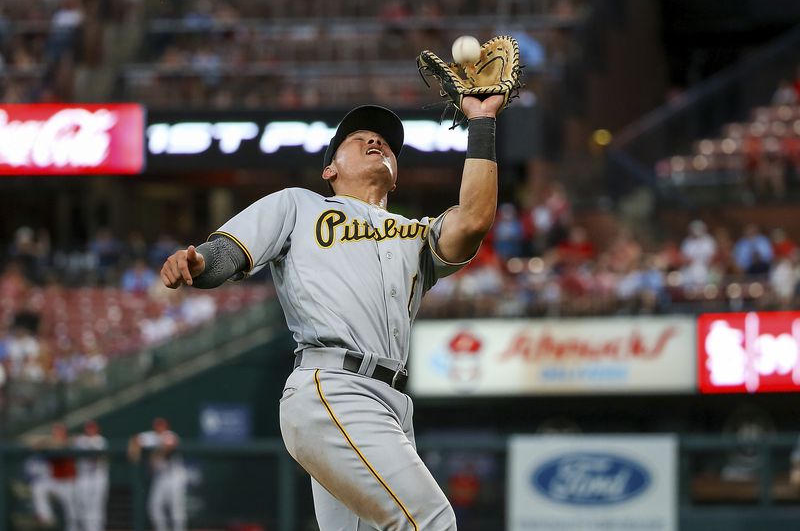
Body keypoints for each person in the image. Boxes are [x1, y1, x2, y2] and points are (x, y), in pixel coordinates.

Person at [160, 96, 504, 530]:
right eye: (358, 138)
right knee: (431, 520)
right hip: (333, 388)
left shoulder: (416, 235)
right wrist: (200, 264)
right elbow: (227, 253)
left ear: (396, 177)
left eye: (384, 141)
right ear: (330, 170)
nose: (375, 140)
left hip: (391, 405)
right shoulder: (300, 205)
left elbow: (473, 220)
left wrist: (482, 122)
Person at [128, 418, 187, 531]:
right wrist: (134, 450)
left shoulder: (170, 434)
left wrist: (155, 454)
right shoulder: (152, 436)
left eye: (162, 425)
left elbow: (170, 446)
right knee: (154, 507)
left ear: (166, 426)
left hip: (174, 476)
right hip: (160, 477)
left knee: (176, 509)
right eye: (158, 425)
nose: (160, 427)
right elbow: (135, 439)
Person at [30, 423, 79, 531]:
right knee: (38, 488)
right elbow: (34, 445)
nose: (57, 434)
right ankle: (46, 517)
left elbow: (68, 442)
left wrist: (52, 442)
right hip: (54, 480)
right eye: (55, 432)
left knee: (71, 511)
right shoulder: (50, 443)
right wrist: (46, 441)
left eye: (60, 432)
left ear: (64, 433)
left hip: (68, 481)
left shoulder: (70, 442)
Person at [74, 420, 109, 531]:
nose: (90, 429)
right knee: (83, 504)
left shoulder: (101, 440)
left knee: (97, 505)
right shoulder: (80, 440)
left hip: (98, 475)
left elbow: (96, 456)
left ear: (97, 428)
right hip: (83, 475)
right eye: (88, 427)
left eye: (92, 427)